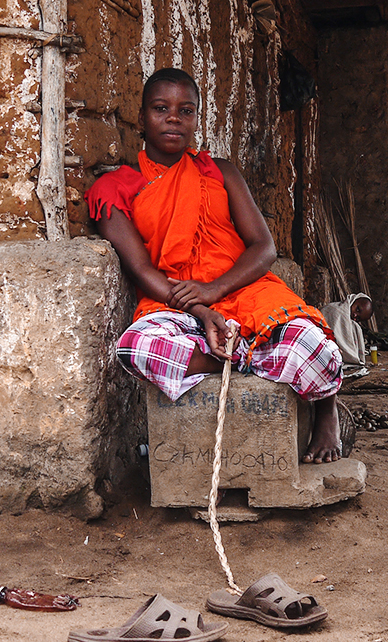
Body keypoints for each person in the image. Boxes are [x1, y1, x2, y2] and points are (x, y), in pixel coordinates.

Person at [85, 68, 345, 464]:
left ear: (195, 120)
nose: (174, 118)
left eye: (185, 111)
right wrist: (201, 307)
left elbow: (264, 247)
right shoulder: (114, 188)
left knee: (317, 350)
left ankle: (326, 408)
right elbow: (143, 271)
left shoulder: (220, 171)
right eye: (161, 109)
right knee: (140, 348)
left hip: (245, 291)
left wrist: (215, 289)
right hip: (176, 303)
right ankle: (244, 355)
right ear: (140, 119)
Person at [320, 293, 373, 366]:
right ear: (354, 300)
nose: (355, 315)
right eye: (357, 309)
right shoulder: (337, 311)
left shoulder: (352, 323)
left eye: (358, 318)